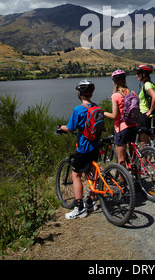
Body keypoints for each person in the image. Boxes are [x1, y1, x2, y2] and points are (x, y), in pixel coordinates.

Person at [58, 79, 100, 219]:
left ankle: (79, 208)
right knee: (93, 173)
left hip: (83, 148)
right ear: (91, 93)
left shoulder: (79, 109)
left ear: (80, 94)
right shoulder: (97, 107)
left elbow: (70, 128)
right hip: (95, 146)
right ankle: (92, 201)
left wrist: (60, 128)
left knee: (76, 175)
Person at [104, 70, 138, 168]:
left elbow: (115, 116)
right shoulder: (133, 93)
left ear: (114, 82)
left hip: (122, 129)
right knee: (134, 156)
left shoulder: (116, 96)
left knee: (121, 159)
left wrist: (104, 113)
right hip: (134, 126)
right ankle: (137, 178)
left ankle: (122, 182)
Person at [135, 64, 155, 146]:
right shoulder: (151, 83)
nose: (136, 75)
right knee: (154, 139)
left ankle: (144, 159)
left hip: (145, 115)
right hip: (151, 116)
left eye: (138, 73)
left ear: (144, 74)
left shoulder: (147, 84)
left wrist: (150, 111)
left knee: (144, 142)